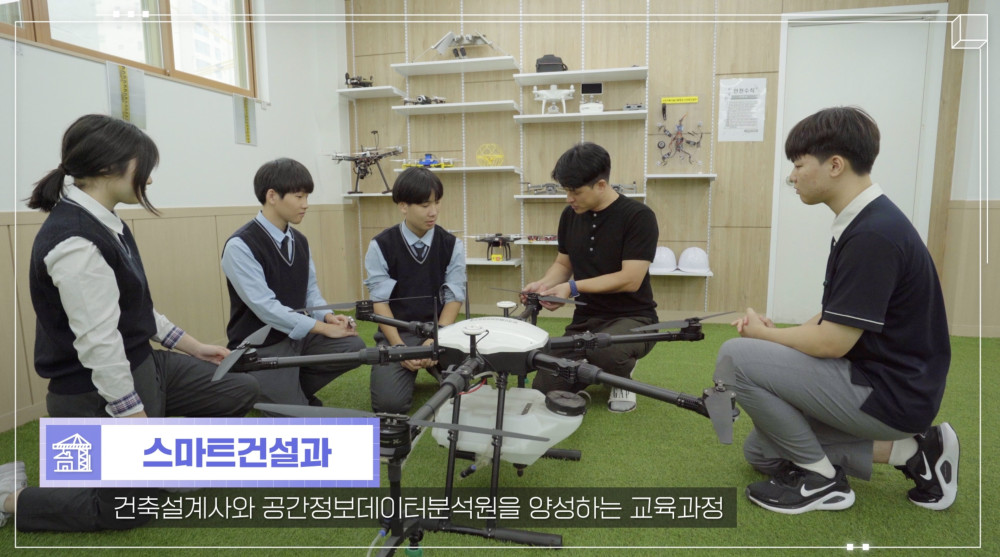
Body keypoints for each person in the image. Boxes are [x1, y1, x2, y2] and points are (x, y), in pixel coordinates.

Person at [2, 114, 260, 531]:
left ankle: (151, 466)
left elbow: (133, 309)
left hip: (143, 365)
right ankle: (10, 496)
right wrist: (133, 419)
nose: (150, 180)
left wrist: (193, 346)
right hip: (90, 391)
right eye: (145, 168)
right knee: (128, 508)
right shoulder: (74, 242)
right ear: (108, 167)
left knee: (238, 389)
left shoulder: (105, 220)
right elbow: (99, 345)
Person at [714, 106, 957, 514]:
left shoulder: (874, 234)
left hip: (890, 393)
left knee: (735, 359)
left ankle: (822, 482)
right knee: (762, 452)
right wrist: (774, 341)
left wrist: (764, 337)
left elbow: (831, 342)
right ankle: (915, 453)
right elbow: (834, 315)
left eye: (798, 165)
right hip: (880, 380)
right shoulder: (864, 221)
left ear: (835, 165)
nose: (792, 177)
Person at [523, 142, 659, 413]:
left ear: (601, 185)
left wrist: (572, 287)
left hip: (634, 319)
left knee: (606, 351)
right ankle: (594, 369)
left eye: (575, 192)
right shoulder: (570, 215)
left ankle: (621, 375)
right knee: (544, 387)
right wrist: (543, 286)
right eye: (566, 191)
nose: (568, 199)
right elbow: (563, 263)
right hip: (586, 322)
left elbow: (630, 279)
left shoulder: (638, 217)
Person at [222, 158, 367, 409]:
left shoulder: (299, 240)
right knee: (301, 421)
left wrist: (328, 317)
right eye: (299, 196)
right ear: (272, 196)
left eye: (307, 196)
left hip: (297, 339)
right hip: (261, 346)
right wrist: (322, 328)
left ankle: (291, 390)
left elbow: (310, 292)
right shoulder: (240, 246)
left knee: (353, 346)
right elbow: (266, 308)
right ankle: (264, 388)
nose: (305, 204)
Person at [364, 167, 466, 413]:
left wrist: (436, 338)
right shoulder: (381, 246)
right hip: (399, 333)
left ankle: (439, 369)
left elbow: (454, 298)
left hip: (440, 331)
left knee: (470, 387)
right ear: (403, 206)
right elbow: (380, 302)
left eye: (437, 202)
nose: (433, 212)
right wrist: (400, 348)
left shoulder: (452, 245)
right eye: (424, 205)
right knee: (390, 405)